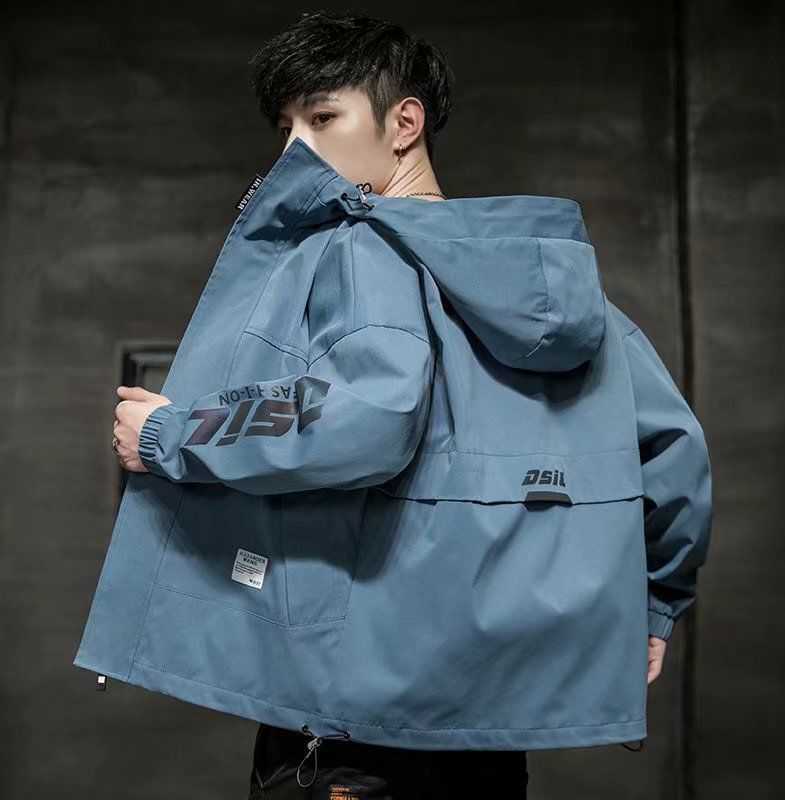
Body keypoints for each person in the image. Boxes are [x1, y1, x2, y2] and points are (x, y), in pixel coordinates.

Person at [90, 10, 712, 800]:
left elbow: (356, 418)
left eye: (322, 119)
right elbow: (674, 452)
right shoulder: (556, 288)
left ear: (404, 124)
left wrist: (169, 434)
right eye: (286, 128)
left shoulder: (366, 249)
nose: (294, 151)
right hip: (490, 734)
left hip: (352, 728)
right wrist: (655, 609)